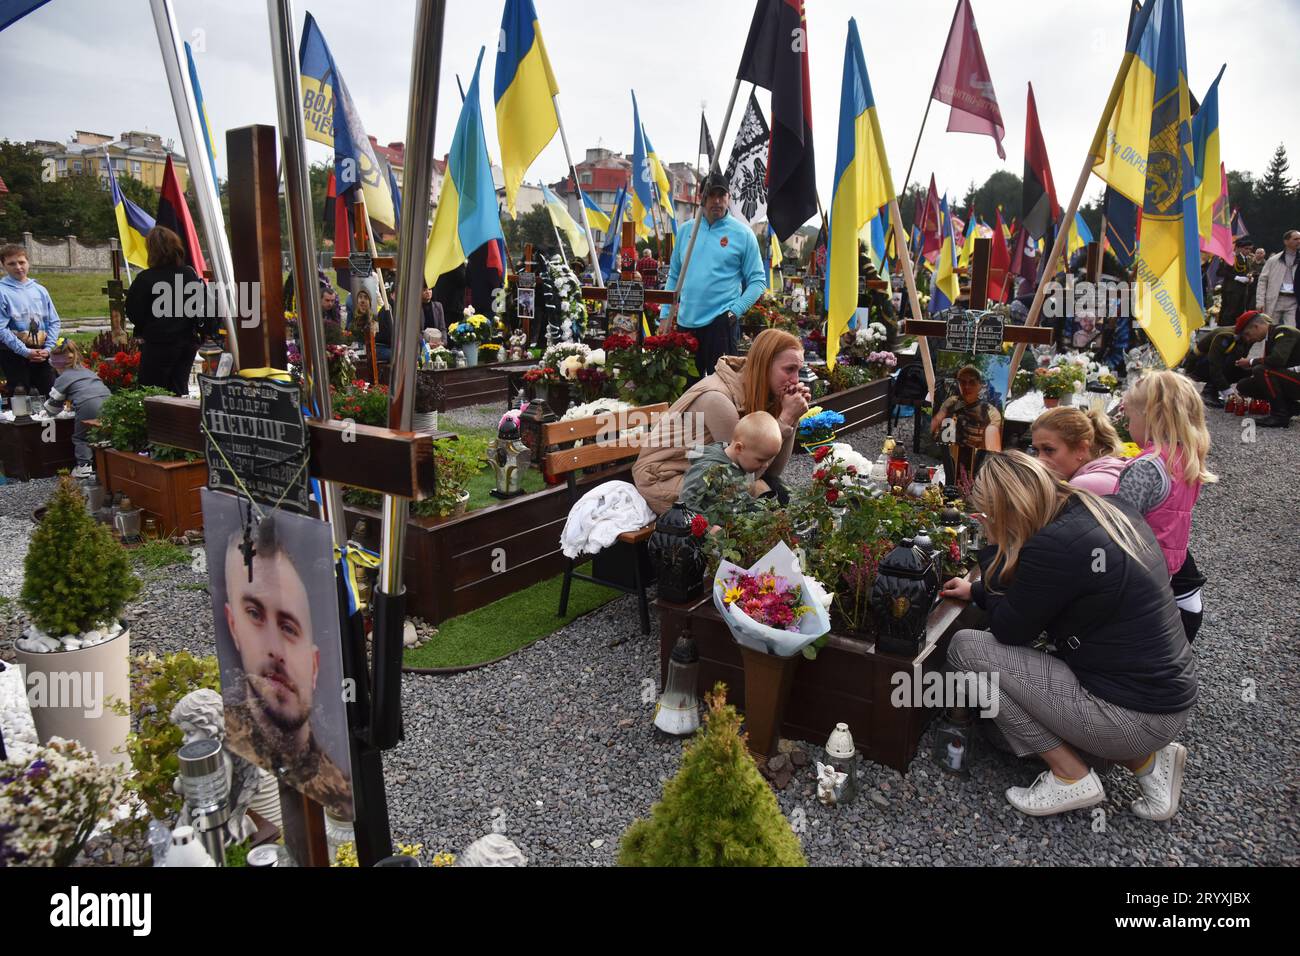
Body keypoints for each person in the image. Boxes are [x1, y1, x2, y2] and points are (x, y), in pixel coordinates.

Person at [942, 451, 1196, 820]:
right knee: (999, 675)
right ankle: (1147, 761)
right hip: (1164, 701)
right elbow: (1048, 596)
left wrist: (994, 550)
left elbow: (1009, 630)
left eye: (988, 516)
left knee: (967, 651)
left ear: (1005, 509)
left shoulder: (1054, 546)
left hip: (1128, 715)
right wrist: (976, 592)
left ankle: (1069, 774)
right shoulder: (1107, 509)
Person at [221, 514, 352, 819]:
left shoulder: (342, 794)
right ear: (233, 626)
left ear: (315, 665)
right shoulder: (221, 755)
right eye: (254, 614)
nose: (276, 650)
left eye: (289, 628)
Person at [633, 329, 808, 515]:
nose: (795, 380)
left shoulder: (754, 389)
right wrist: (785, 419)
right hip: (663, 479)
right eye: (789, 369)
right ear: (764, 365)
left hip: (701, 472)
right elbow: (744, 476)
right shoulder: (718, 399)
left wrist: (791, 417)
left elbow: (772, 471)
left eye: (798, 370)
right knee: (752, 500)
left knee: (774, 490)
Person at [1115, 370, 1216, 644]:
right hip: (1165, 567)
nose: (1127, 424)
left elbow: (1117, 526)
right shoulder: (1185, 460)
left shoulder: (1146, 468)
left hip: (1135, 570)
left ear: (1149, 416)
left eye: (1130, 417)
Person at [658, 171, 767, 380]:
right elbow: (674, 276)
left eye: (721, 195)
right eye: (710, 195)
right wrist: (665, 315)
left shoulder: (743, 234)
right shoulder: (685, 231)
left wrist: (735, 311)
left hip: (722, 324)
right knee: (686, 389)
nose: (716, 201)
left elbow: (758, 281)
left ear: (729, 197)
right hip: (686, 323)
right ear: (701, 198)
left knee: (725, 390)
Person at [124, 226, 207, 396]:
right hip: (186, 343)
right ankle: (179, 421)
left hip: (157, 344)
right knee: (179, 390)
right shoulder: (189, 274)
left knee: (153, 394)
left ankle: (161, 423)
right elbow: (199, 305)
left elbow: (134, 312)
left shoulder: (146, 279)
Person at [677, 410, 785, 514]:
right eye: (760, 460)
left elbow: (739, 496)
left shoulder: (737, 464)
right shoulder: (709, 468)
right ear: (739, 448)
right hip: (708, 527)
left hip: (729, 519)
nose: (765, 465)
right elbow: (686, 501)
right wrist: (707, 527)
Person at [42, 339, 110, 479]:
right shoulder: (88, 372)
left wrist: (44, 411)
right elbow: (88, 389)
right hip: (108, 400)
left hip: (88, 404)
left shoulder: (63, 378)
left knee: (81, 437)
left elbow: (53, 407)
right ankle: (108, 463)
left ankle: (84, 466)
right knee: (104, 433)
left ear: (57, 365)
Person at [0, 243, 60, 398]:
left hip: (42, 352)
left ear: (28, 262)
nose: (18, 267)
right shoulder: (2, 291)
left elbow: (54, 321)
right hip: (14, 354)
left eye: (21, 262)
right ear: (3, 265)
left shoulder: (40, 290)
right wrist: (25, 352)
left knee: (51, 395)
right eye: (12, 264)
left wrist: (47, 349)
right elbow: (1, 328)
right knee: (21, 396)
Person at [930, 364, 1003, 485]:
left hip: (976, 463)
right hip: (952, 457)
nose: (967, 386)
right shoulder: (951, 402)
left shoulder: (991, 412)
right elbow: (936, 423)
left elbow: (991, 444)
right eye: (962, 382)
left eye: (972, 382)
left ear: (980, 385)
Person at [1029, 405, 1126, 494]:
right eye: (1036, 451)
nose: (1040, 460)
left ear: (1081, 448)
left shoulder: (1084, 485)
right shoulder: (1108, 468)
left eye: (1048, 450)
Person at [1183, 310, 1264, 406]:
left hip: (1216, 364)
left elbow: (1239, 362)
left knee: (1249, 368)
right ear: (1254, 327)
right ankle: (1208, 392)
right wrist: (1230, 394)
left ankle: (1215, 390)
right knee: (1230, 360)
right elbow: (1214, 365)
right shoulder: (1224, 336)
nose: (1249, 339)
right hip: (1197, 366)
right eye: (1247, 335)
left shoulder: (1247, 337)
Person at [1234, 314, 1300, 427]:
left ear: (1256, 327)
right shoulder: (1271, 335)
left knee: (1261, 371)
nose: (1248, 339)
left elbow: (1277, 360)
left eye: (1248, 334)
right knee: (1244, 385)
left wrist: (1250, 362)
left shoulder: (1285, 332)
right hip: (1293, 377)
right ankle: (1291, 408)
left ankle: (1279, 416)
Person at [1256, 229, 1299, 328]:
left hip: (1294, 301)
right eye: (1296, 239)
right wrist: (1260, 301)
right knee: (1270, 330)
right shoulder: (1273, 261)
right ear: (1286, 241)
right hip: (1275, 299)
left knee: (1292, 331)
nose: (1299, 241)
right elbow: (1262, 281)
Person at [1217, 237, 1256, 328]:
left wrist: (1250, 278)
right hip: (1231, 289)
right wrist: (1237, 277)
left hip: (1243, 289)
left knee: (1239, 311)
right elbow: (1220, 272)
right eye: (1246, 248)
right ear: (1240, 248)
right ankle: (1224, 328)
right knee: (1230, 310)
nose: (1248, 251)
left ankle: (1234, 328)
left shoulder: (1248, 259)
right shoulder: (1232, 257)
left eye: (1250, 249)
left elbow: (1248, 272)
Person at [349, 287, 393, 363]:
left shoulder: (375, 318)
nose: (362, 301)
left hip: (373, 349)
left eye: (365, 298)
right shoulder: (353, 319)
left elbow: (375, 337)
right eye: (360, 297)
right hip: (359, 352)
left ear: (370, 301)